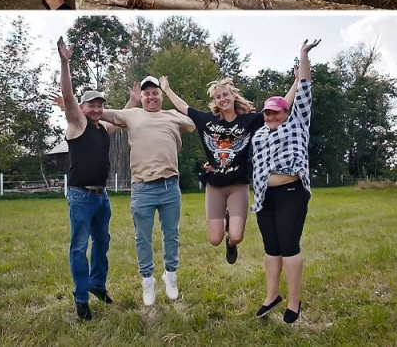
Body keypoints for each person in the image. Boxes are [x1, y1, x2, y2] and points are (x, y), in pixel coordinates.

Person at [98, 76, 196, 306]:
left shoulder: (172, 115)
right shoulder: (132, 115)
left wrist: (169, 90)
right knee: (142, 237)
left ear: (161, 96)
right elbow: (102, 114)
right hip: (142, 188)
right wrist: (130, 103)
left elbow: (192, 122)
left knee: (171, 234)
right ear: (141, 97)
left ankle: (170, 275)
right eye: (147, 94)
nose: (151, 97)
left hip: (170, 186)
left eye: (155, 93)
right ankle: (147, 280)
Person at [156, 76, 264, 264]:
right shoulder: (207, 120)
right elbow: (184, 107)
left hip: (238, 185)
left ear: (233, 96)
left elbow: (277, 109)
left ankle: (231, 243)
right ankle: (225, 218)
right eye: (218, 97)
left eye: (225, 95)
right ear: (215, 101)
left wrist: (298, 81)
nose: (222, 99)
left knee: (237, 236)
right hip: (215, 185)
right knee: (214, 239)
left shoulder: (249, 120)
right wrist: (166, 88)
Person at [54, 37, 123, 320]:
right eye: (91, 105)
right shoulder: (77, 124)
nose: (96, 109)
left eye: (100, 105)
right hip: (81, 196)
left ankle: (97, 285)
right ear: (82, 108)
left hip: (101, 197)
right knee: (79, 247)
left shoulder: (102, 129)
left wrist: (131, 101)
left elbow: (119, 122)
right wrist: (65, 62)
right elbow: (68, 96)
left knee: (103, 242)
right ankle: (81, 299)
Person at [251, 39, 320, 322]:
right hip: (265, 198)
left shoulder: (297, 123)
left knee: (289, 246)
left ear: (287, 113)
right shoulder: (259, 134)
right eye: (267, 112)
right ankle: (271, 296)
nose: (270, 116)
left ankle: (294, 301)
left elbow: (302, 90)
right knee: (271, 248)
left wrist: (303, 56)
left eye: (276, 112)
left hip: (291, 192)